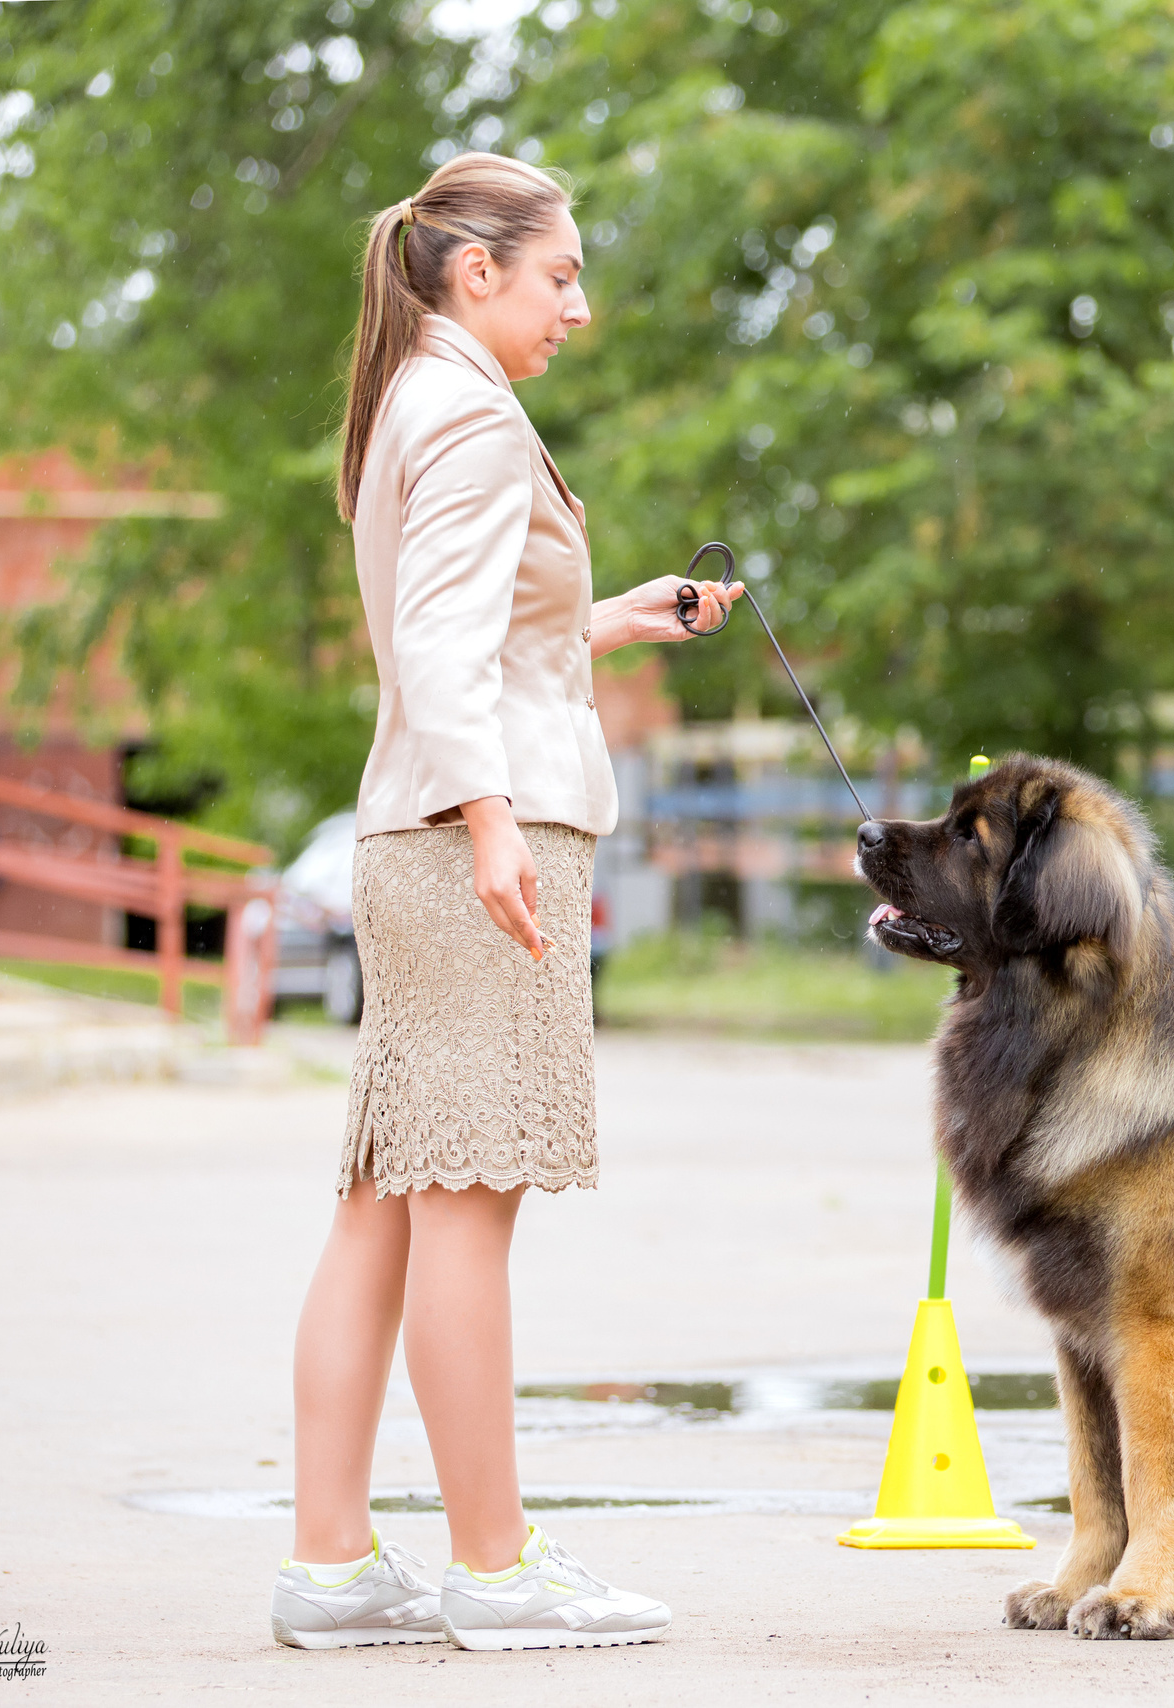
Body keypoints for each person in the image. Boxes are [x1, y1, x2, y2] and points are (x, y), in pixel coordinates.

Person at [269, 153, 739, 1652]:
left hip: (416, 832)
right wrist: (492, 831)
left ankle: (332, 1567)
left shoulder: (413, 396)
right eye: (560, 275)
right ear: (478, 270)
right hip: (476, 841)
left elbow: (469, 631)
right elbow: (438, 650)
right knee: (465, 1215)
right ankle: (494, 1566)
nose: (577, 307)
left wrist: (608, 614)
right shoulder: (471, 411)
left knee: (382, 1214)